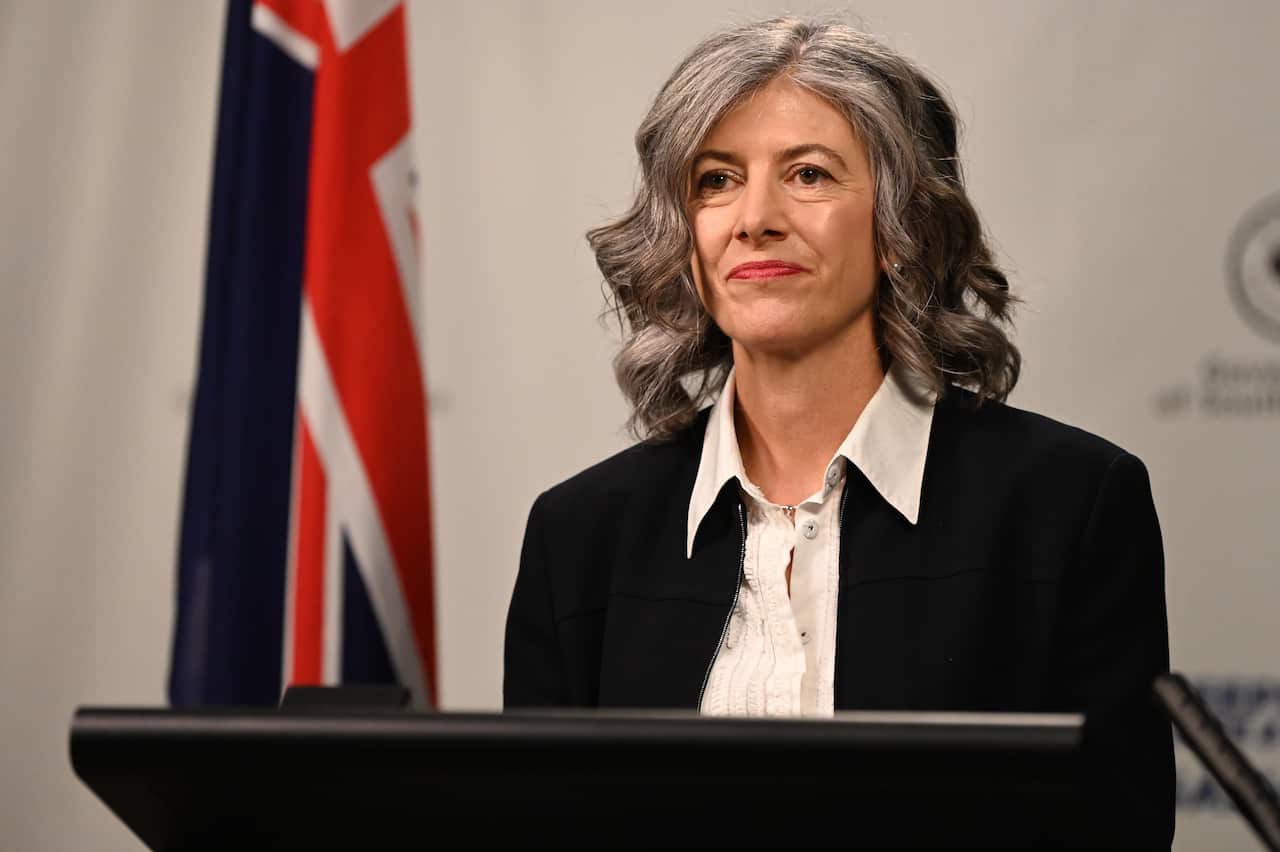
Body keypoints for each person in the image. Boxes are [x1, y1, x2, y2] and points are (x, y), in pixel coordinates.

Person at [503, 16, 1173, 848]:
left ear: (902, 229)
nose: (755, 218)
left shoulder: (1069, 504)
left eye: (809, 174)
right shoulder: (579, 536)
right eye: (715, 180)